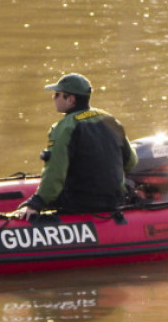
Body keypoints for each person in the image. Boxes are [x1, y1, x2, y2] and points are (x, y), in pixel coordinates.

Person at [16, 73, 138, 220]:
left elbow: (55, 171)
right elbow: (131, 161)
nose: (53, 98)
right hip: (114, 200)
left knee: (26, 207)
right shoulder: (110, 120)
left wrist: (36, 203)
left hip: (80, 203)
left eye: (57, 94)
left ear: (71, 100)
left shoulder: (64, 128)